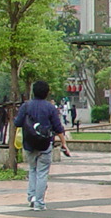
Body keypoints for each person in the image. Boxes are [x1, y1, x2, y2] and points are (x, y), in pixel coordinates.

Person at [13, 81, 70, 210]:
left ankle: (31, 197)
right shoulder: (50, 108)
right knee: (42, 173)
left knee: (32, 170)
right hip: (45, 144)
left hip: (29, 144)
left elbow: (17, 123)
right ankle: (39, 203)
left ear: (33, 91)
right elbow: (58, 127)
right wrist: (64, 143)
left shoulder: (26, 106)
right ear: (47, 93)